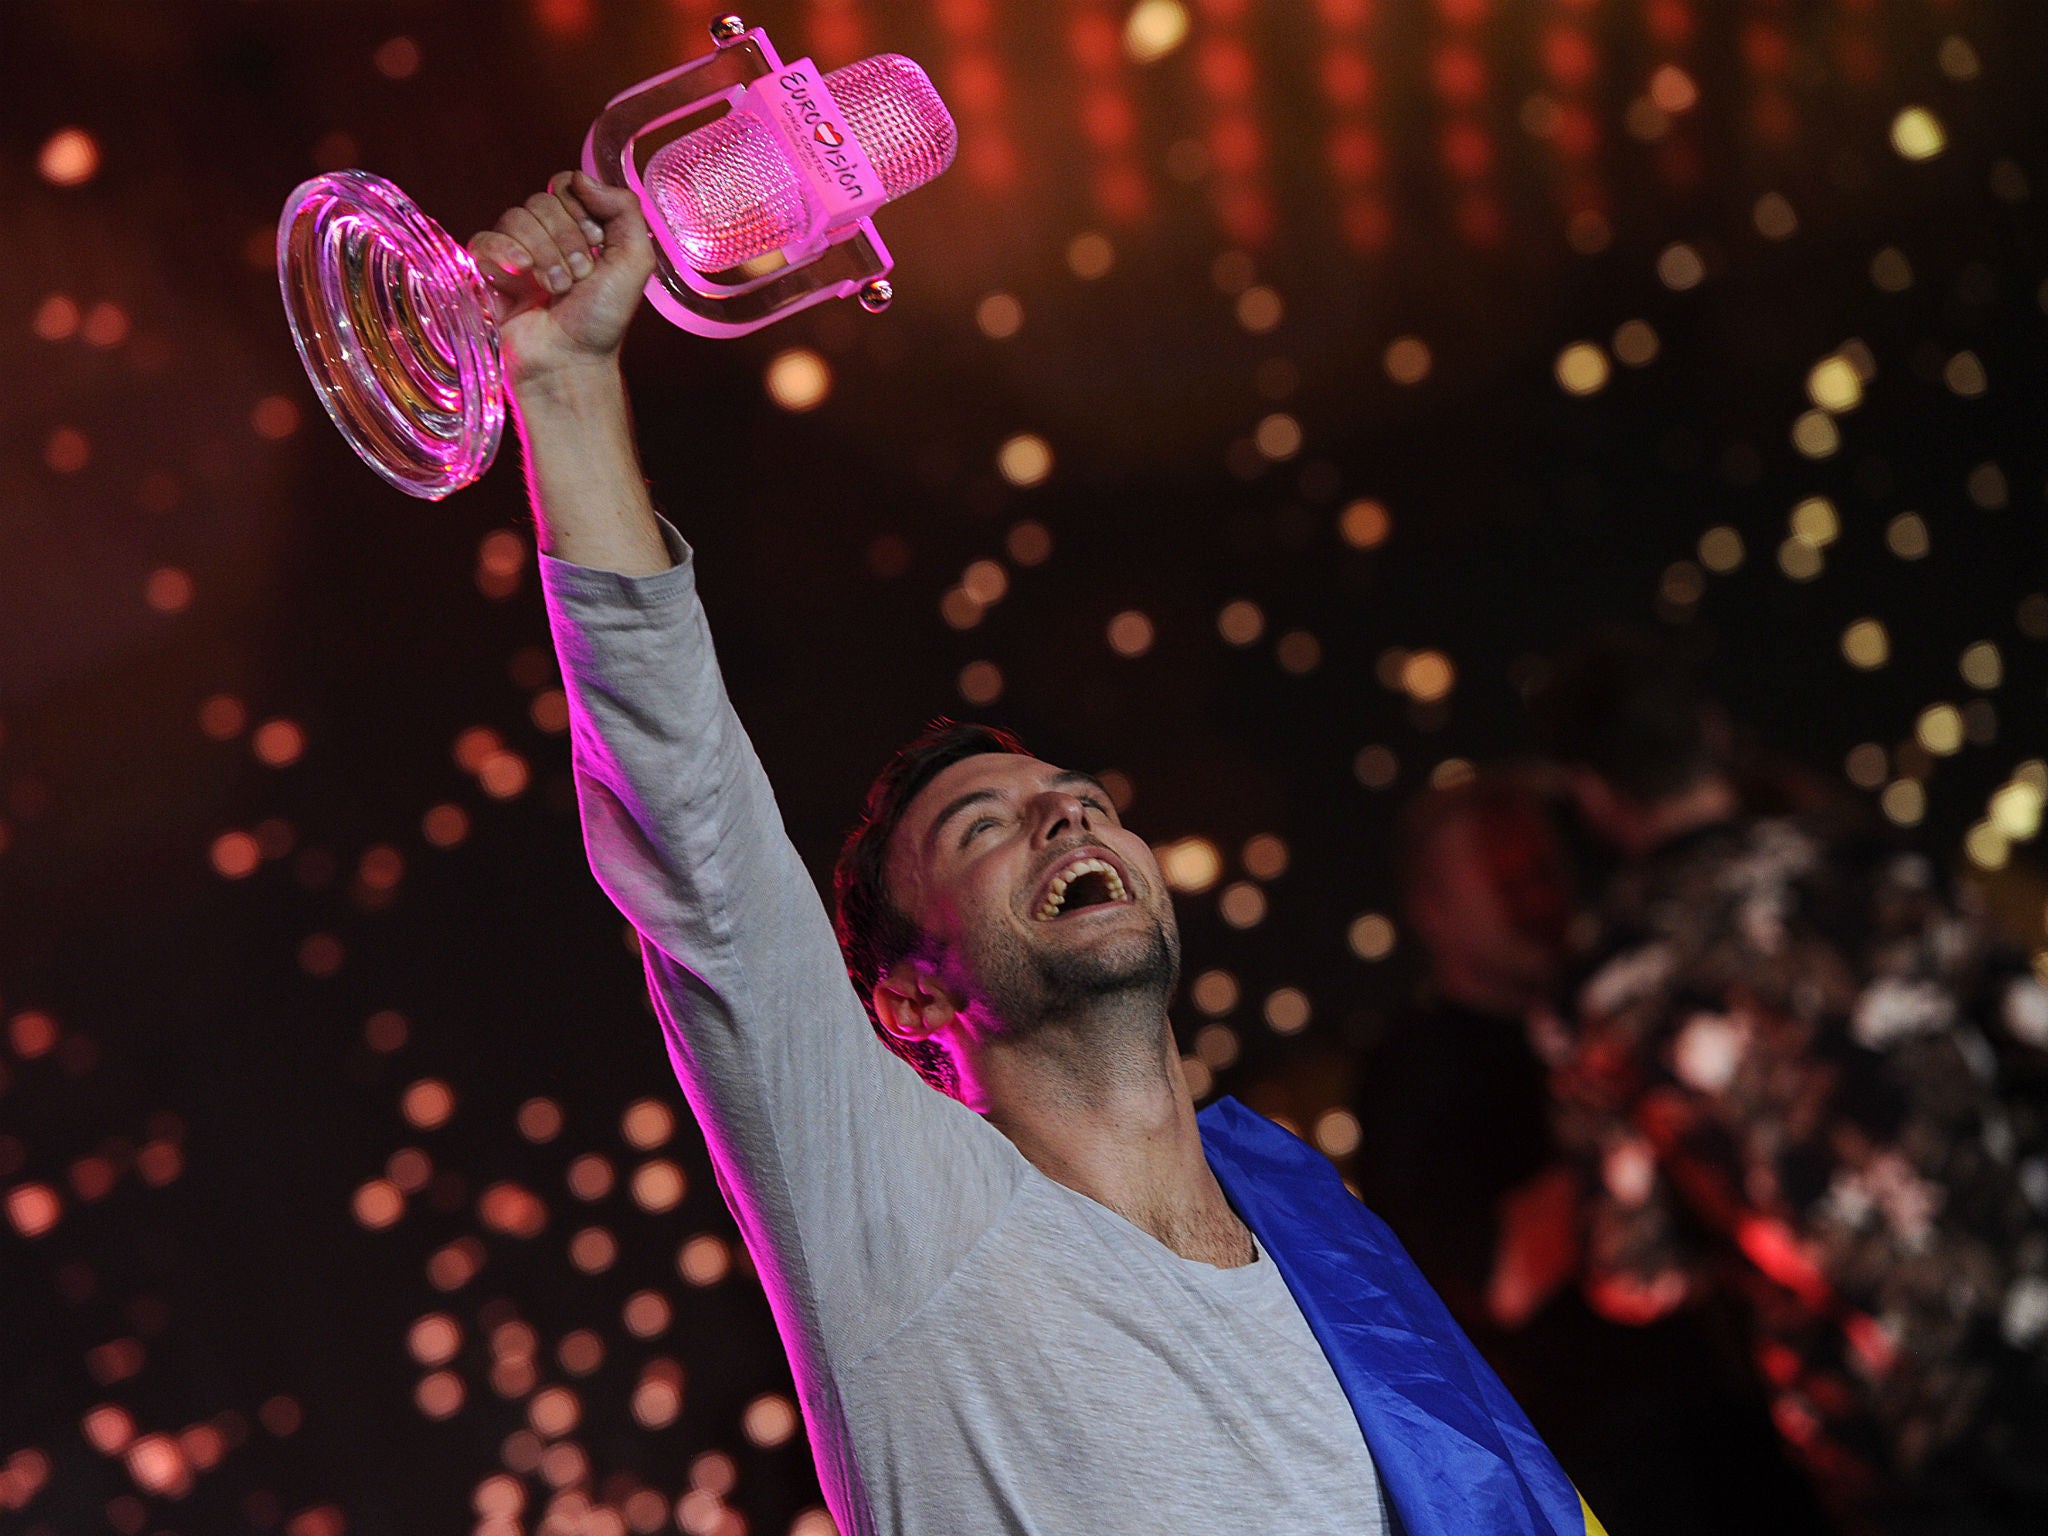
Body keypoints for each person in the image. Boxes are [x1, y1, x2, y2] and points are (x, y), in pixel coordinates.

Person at [478, 172, 1601, 1536]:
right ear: (913, 997)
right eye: (985, 825)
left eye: (1080, 799)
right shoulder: (900, 1221)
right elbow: (696, 841)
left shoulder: (1321, 1231)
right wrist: (569, 384)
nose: (1067, 818)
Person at [1536, 631, 2048, 1535]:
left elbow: (1631, 1272)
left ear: (1590, 792)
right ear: (1714, 730)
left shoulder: (1605, 990)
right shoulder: (1876, 867)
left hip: (1883, 1428)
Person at [1358, 774, 1834, 1534]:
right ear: (1435, 915)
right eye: (1502, 881)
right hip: (1620, 1483)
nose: (1537, 896)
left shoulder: (1618, 1003)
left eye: (1544, 869)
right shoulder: (1415, 1074)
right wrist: (1639, 1104)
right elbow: (1500, 1277)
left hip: (1764, 1438)